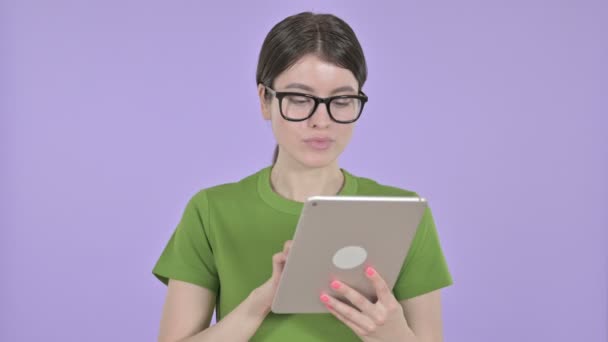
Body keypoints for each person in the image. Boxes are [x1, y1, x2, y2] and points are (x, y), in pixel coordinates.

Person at [152, 11, 453, 342]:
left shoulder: (403, 212)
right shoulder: (211, 210)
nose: (321, 120)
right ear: (265, 100)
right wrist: (260, 303)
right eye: (299, 99)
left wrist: (394, 335)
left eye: (341, 100)